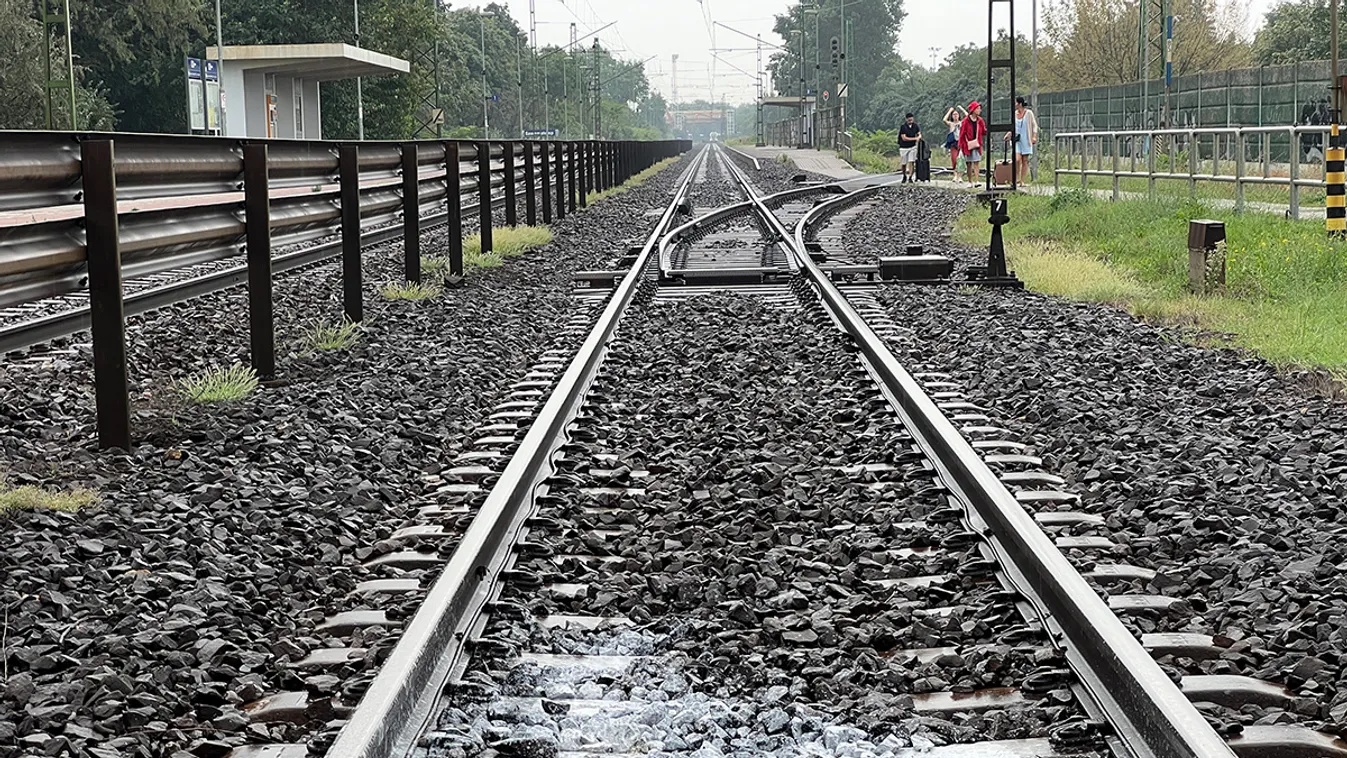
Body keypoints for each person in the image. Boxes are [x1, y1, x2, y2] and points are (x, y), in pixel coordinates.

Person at [1004, 96, 1038, 185]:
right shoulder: (1014, 114)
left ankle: (1022, 180)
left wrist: (1034, 136)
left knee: (1025, 160)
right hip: (1016, 140)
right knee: (1017, 159)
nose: (1015, 104)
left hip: (1026, 139)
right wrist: (1008, 134)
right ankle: (1016, 178)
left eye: (1016, 102)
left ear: (1020, 104)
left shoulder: (1029, 113)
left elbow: (1034, 125)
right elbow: (1012, 126)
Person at [958, 101, 988, 187]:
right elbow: (962, 134)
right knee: (969, 163)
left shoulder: (980, 120)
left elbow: (984, 131)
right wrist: (961, 145)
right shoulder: (965, 121)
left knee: (976, 162)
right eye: (978, 108)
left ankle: (977, 181)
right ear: (973, 110)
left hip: (977, 144)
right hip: (967, 145)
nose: (979, 110)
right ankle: (970, 181)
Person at [898, 113, 922, 183]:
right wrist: (915, 138)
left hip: (912, 147)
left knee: (911, 161)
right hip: (904, 147)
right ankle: (904, 175)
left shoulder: (915, 126)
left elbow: (919, 133)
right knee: (904, 163)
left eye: (911, 119)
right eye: (909, 120)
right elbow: (904, 138)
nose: (910, 121)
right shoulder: (903, 127)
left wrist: (919, 137)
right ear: (906, 119)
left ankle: (910, 177)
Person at [943, 106, 966, 173]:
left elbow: (968, 116)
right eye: (954, 114)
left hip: (961, 142)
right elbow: (944, 120)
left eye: (956, 114)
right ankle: (955, 174)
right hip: (953, 143)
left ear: (959, 115)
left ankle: (960, 174)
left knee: (961, 159)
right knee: (954, 159)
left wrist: (962, 109)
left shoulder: (962, 123)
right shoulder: (951, 124)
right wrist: (950, 111)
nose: (955, 115)